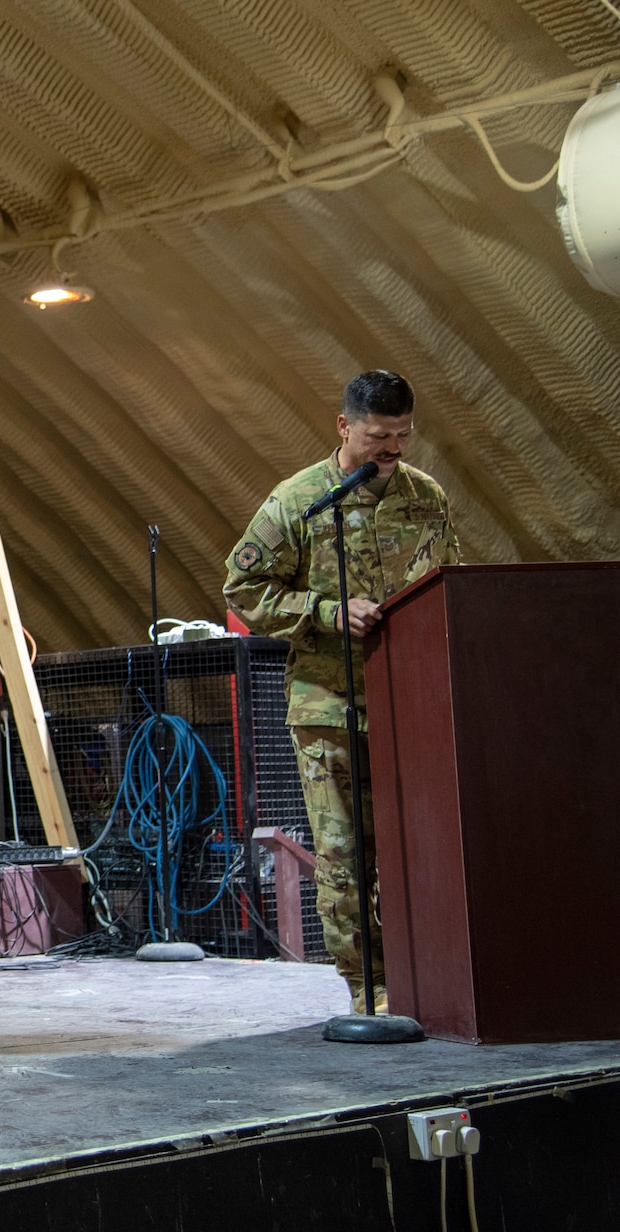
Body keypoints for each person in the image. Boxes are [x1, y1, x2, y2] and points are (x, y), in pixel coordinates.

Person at [223, 369, 459, 1015]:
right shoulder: (299, 500)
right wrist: (327, 611)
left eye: (403, 436)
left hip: (411, 706)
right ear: (345, 426)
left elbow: (449, 583)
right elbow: (243, 591)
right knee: (346, 857)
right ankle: (369, 988)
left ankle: (430, 976)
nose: (393, 449)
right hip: (330, 708)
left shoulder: (424, 497)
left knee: (420, 850)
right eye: (380, 435)